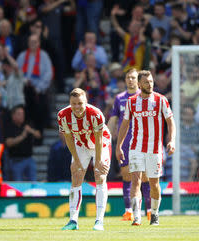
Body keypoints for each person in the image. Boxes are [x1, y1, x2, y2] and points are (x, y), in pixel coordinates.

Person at [116, 70, 176, 226]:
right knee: (135, 180)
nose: (150, 84)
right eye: (146, 82)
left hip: (155, 149)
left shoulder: (161, 100)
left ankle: (154, 213)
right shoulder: (131, 102)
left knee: (154, 183)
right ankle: (137, 216)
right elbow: (124, 125)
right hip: (135, 148)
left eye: (151, 81)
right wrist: (119, 146)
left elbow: (170, 122)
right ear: (139, 84)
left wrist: (172, 140)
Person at [58, 88, 111, 231]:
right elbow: (68, 138)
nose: (76, 107)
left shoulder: (96, 114)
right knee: (76, 175)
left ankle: (99, 221)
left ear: (86, 102)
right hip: (81, 144)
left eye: (80, 103)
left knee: (100, 175)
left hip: (101, 144)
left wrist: (98, 161)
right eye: (73, 103)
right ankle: (73, 221)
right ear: (70, 103)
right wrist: (76, 160)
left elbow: (99, 140)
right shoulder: (63, 115)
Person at [108, 68, 152, 221]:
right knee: (127, 175)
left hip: (143, 140)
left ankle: (149, 210)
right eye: (128, 77)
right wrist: (107, 135)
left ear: (139, 81)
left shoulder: (145, 97)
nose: (130, 80)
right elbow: (114, 118)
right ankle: (128, 211)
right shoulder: (120, 98)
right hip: (126, 142)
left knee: (145, 177)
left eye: (133, 77)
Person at [4, 105, 41, 182]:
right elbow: (8, 143)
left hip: (29, 158)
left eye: (22, 114)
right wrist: (22, 136)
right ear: (13, 116)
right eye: (19, 114)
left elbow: (38, 135)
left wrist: (31, 130)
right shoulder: (9, 126)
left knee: (33, 181)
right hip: (16, 160)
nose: (22, 116)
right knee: (18, 182)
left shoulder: (28, 124)